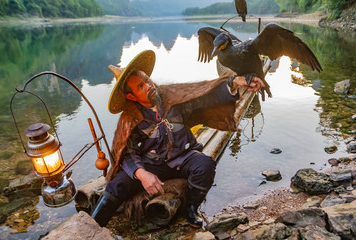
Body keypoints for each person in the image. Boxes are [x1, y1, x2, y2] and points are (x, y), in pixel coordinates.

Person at [91, 50, 264, 228]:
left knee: (205, 166)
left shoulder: (173, 97)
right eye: (140, 87)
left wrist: (234, 82)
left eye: (147, 80)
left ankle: (191, 208)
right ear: (131, 96)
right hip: (153, 163)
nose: (149, 86)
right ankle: (93, 225)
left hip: (184, 156)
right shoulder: (130, 119)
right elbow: (128, 153)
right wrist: (143, 174)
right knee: (118, 184)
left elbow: (205, 96)